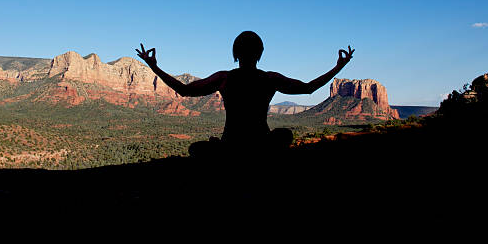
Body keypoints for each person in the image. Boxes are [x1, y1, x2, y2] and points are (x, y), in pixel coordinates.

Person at [136, 31, 354, 158]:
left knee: (196, 149)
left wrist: (154, 67)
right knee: (284, 134)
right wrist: (338, 68)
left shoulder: (224, 78)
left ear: (235, 53)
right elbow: (308, 88)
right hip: (262, 145)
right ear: (259, 53)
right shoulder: (269, 79)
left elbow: (184, 90)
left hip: (230, 146)